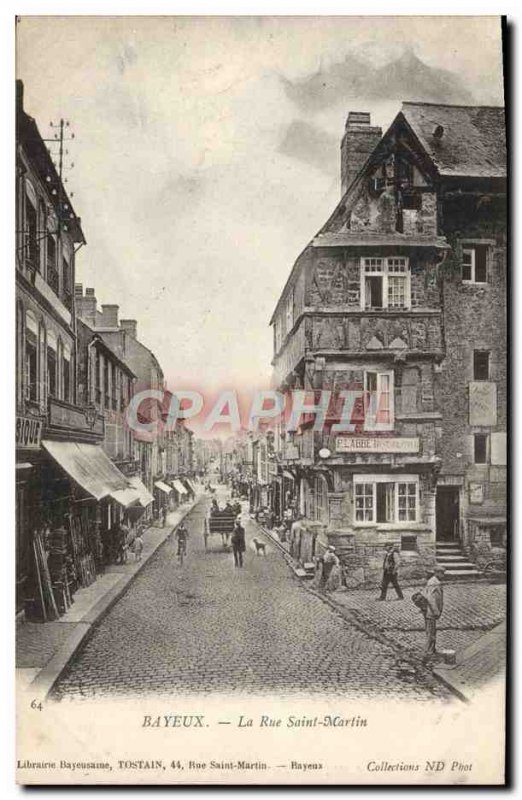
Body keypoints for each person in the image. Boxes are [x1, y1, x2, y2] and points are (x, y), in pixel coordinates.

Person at [422, 564, 445, 663]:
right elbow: (430, 598)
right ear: (437, 573)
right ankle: (428, 653)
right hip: (431, 612)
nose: (443, 575)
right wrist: (436, 611)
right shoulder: (434, 583)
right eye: (442, 573)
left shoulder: (433, 581)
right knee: (430, 632)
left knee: (432, 631)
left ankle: (432, 649)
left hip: (430, 611)